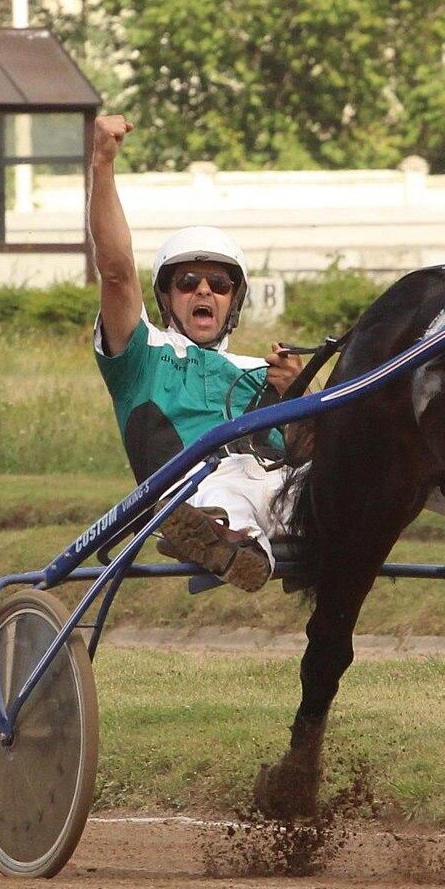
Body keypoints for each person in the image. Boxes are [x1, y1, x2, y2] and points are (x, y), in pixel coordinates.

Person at [87, 113, 304, 592]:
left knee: (333, 480)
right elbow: (117, 270)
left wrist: (300, 399)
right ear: (166, 297)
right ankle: (227, 543)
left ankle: (281, 541)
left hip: (277, 484)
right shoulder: (141, 356)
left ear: (233, 299)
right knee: (227, 500)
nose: (203, 291)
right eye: (188, 282)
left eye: (219, 284)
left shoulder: (261, 372)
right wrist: (103, 164)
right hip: (195, 487)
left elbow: (307, 451)